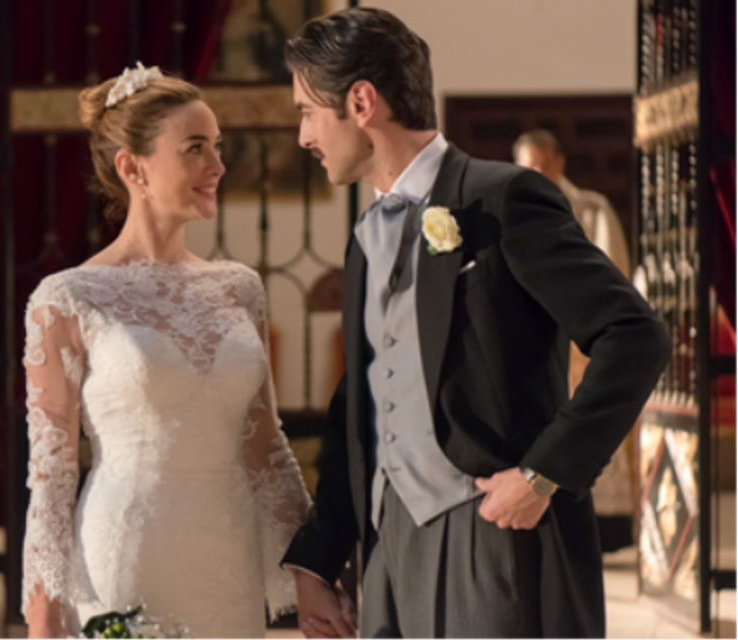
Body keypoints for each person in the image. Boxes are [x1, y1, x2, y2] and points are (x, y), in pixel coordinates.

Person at [279, 8, 670, 640]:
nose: (303, 136)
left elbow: (635, 336)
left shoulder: (503, 199)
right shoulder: (365, 236)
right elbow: (363, 401)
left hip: (489, 537)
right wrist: (318, 559)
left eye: (306, 111)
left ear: (361, 102)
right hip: (386, 543)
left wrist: (544, 473)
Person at [21, 63, 310, 640]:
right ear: (133, 168)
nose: (217, 165)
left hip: (229, 561)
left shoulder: (239, 289)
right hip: (127, 554)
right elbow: (51, 473)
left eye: (217, 146)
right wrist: (44, 616)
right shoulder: (68, 298)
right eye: (195, 148)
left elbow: (267, 449)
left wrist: (312, 570)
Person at [514, 129, 637, 551]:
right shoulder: (512, 208)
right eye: (527, 166)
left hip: (581, 343)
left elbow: (611, 270)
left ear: (559, 163)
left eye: (541, 164)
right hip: (533, 347)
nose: (535, 173)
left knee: (590, 428)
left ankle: (606, 529)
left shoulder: (590, 208)